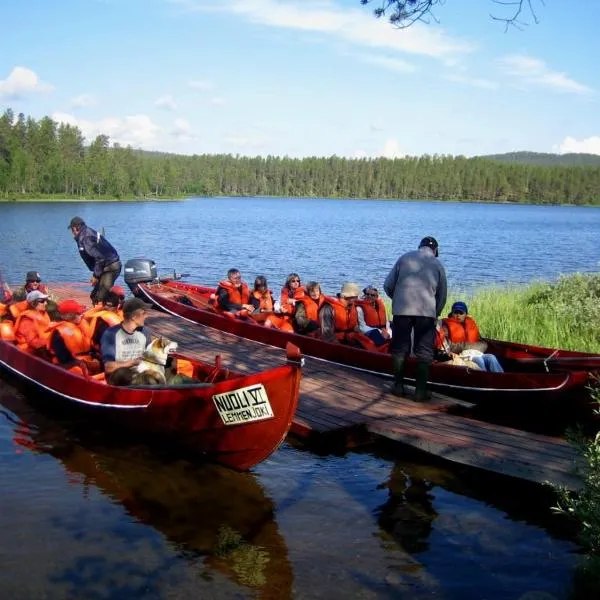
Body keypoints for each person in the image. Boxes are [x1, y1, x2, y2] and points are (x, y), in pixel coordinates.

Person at [384, 236, 447, 401]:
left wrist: (398, 299)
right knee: (424, 351)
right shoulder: (437, 264)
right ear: (435, 250)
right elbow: (442, 294)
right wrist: (436, 311)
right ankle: (420, 392)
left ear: (419, 246)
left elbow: (387, 285)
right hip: (426, 313)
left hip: (402, 310)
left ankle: (398, 387)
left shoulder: (404, 258)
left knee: (399, 348)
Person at [68, 216, 121, 305]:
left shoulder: (85, 237)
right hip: (105, 267)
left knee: (100, 298)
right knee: (94, 296)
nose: (72, 233)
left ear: (75, 228)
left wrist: (96, 276)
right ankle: (104, 310)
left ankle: (111, 311)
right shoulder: (86, 233)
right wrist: (97, 274)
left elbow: (100, 258)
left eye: (72, 230)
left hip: (110, 267)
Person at [438, 301, 504, 372]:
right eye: (456, 312)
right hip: (461, 355)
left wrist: (474, 347)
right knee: (479, 360)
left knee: (491, 357)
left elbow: (482, 344)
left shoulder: (471, 325)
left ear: (466, 314)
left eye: (461, 313)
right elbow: (449, 347)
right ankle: (485, 381)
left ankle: (502, 380)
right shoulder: (446, 327)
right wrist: (469, 347)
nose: (458, 315)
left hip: (475, 352)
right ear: (451, 314)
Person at [100, 298, 152, 381]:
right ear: (133, 317)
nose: (146, 316)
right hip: (119, 380)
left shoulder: (145, 332)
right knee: (123, 373)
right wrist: (133, 362)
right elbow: (108, 367)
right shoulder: (111, 334)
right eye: (143, 313)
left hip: (140, 378)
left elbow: (150, 357)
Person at [319, 282, 374, 349]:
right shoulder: (328, 308)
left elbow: (355, 326)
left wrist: (362, 336)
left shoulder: (352, 306)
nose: (357, 298)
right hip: (334, 342)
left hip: (349, 338)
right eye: (355, 297)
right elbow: (327, 334)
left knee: (369, 343)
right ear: (347, 297)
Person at [46, 299, 94, 372]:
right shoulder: (59, 334)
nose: (82, 315)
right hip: (69, 368)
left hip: (84, 361)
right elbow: (63, 359)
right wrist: (84, 363)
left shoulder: (80, 325)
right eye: (79, 313)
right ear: (69, 316)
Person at [14, 290, 52, 354]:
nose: (46, 303)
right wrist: (51, 342)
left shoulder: (43, 314)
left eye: (45, 300)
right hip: (29, 354)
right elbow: (34, 343)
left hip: (43, 348)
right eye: (42, 301)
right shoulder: (26, 319)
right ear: (33, 303)